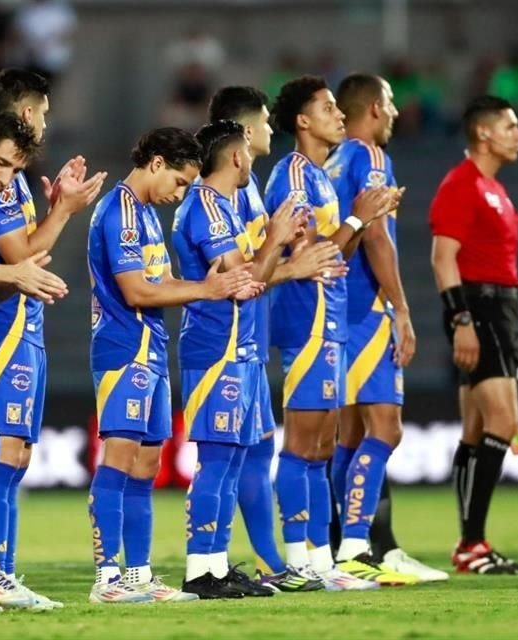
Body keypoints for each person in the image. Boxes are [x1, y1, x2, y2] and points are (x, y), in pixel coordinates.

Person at [86, 127, 252, 604]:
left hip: (151, 349)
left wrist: (203, 284)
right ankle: (107, 578)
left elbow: (163, 281)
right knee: (118, 460)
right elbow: (137, 291)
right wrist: (207, 289)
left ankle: (137, 576)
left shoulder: (143, 214)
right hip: (122, 349)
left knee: (146, 464)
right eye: (179, 182)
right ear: (156, 163)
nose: (180, 193)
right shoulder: (119, 212)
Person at [0, 69, 105, 608]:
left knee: (17, 455)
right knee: (1, 455)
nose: (47, 122)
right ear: (26, 114)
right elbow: (21, 257)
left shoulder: (19, 182)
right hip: (0, 334)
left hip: (24, 334)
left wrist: (55, 207)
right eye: (44, 112)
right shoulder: (0, 182)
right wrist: (64, 211)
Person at [264, 75, 395, 591]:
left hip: (331, 321)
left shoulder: (319, 178)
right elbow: (316, 256)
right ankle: (298, 560)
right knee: (302, 445)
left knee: (322, 447)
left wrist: (360, 217)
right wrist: (359, 221)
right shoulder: (292, 178)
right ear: (302, 121)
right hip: (305, 322)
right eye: (327, 108)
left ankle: (321, 561)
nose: (339, 115)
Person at [205, 86, 338, 593]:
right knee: (232, 458)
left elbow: (263, 262)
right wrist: (292, 266)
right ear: (242, 133)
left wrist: (284, 260)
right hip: (223, 342)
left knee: (258, 454)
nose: (269, 128)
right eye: (262, 121)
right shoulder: (218, 197)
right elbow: (242, 274)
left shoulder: (251, 187)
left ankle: (269, 563)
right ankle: (210, 563)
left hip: (252, 340)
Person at [174, 119, 302, 598]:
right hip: (215, 352)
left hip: (241, 351)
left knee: (231, 463)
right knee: (216, 461)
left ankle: (216, 565)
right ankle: (198, 570)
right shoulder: (205, 207)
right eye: (248, 150)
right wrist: (276, 238)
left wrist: (276, 243)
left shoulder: (225, 206)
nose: (252, 158)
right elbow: (243, 280)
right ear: (236, 156)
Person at [327, 73, 445, 583]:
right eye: (392, 103)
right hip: (365, 311)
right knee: (385, 430)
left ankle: (339, 547)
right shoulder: (370, 157)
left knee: (349, 435)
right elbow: (376, 236)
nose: (396, 113)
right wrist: (400, 307)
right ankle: (356, 550)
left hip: (332, 310)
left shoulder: (330, 163)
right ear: (374, 108)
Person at [428, 95, 518, 574]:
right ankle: (472, 541)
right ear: (484, 133)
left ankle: (471, 543)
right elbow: (442, 257)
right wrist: (460, 320)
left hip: (501, 308)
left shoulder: (494, 188)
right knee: (502, 422)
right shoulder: (461, 185)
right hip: (480, 307)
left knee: (475, 428)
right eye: (510, 126)